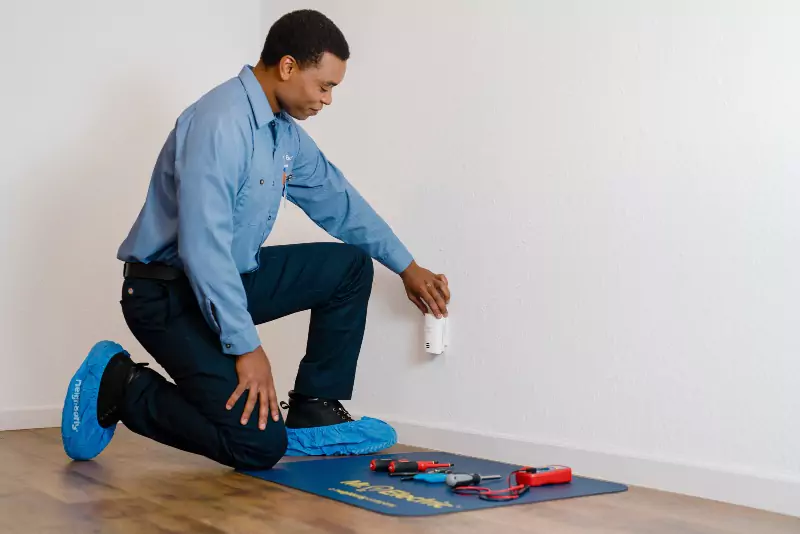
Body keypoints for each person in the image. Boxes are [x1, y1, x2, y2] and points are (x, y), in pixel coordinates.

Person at [61, 9, 450, 471]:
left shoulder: (283, 134)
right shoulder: (220, 122)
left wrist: (407, 266)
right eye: (324, 86)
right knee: (259, 447)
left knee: (348, 267)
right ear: (288, 67)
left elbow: (339, 202)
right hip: (165, 295)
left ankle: (313, 407)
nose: (327, 100)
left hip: (230, 281)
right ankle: (121, 385)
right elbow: (203, 250)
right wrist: (247, 348)